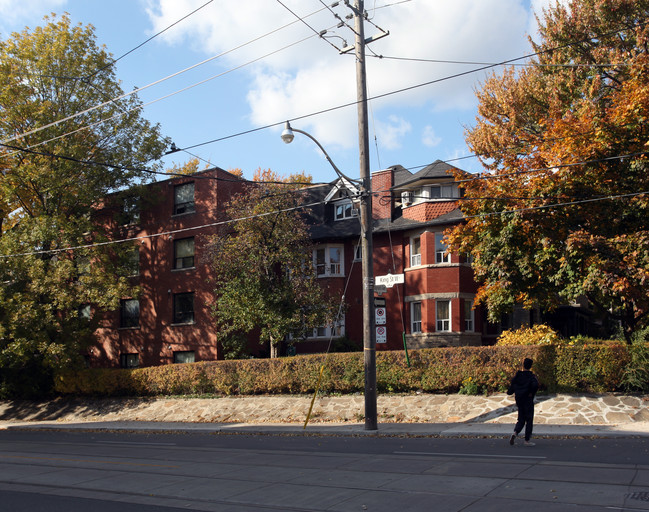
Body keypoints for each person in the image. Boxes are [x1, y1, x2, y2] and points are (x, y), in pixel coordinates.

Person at [507, 357, 539, 446]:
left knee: (521, 418)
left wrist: (511, 391)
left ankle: (515, 432)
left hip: (519, 399)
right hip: (528, 399)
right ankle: (527, 440)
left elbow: (511, 387)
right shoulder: (531, 376)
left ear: (523, 365)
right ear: (531, 366)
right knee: (529, 419)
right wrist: (531, 393)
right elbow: (536, 385)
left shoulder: (518, 376)